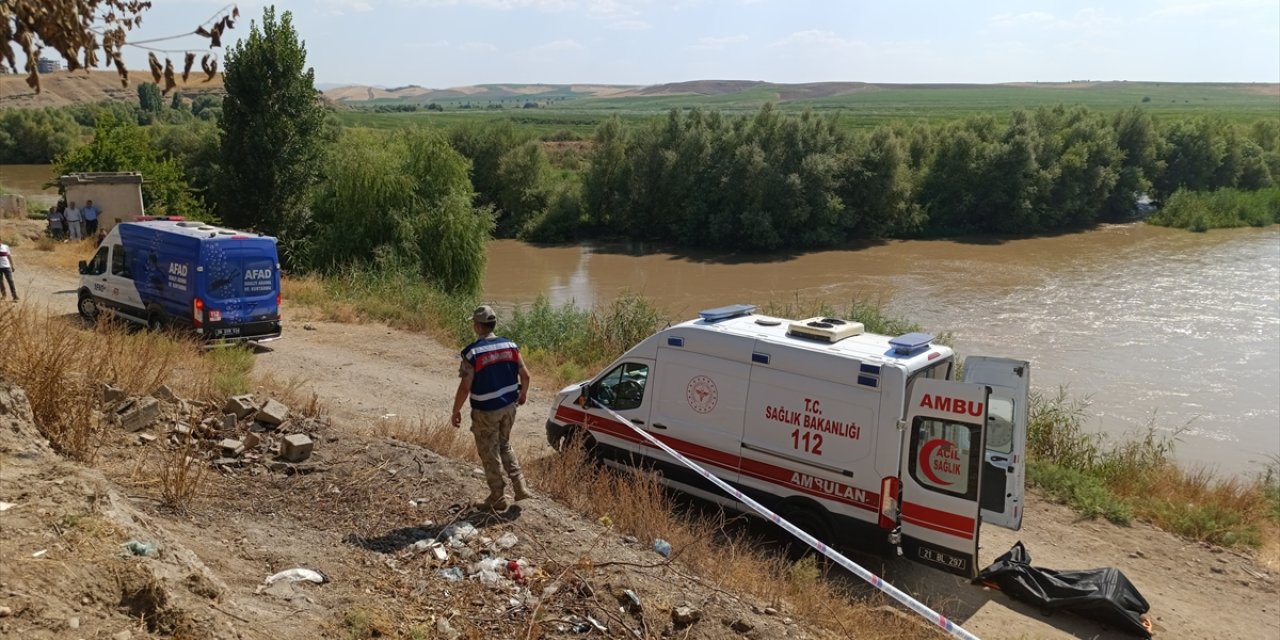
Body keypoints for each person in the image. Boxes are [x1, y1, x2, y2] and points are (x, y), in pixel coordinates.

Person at [451, 305, 533, 511]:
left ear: (478, 327)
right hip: (509, 406)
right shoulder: (511, 345)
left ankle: (497, 496)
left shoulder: (472, 353)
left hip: (486, 410)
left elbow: (465, 386)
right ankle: (520, 485)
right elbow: (526, 376)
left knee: (488, 451)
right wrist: (522, 394)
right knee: (504, 444)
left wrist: (456, 410)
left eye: (474, 324)